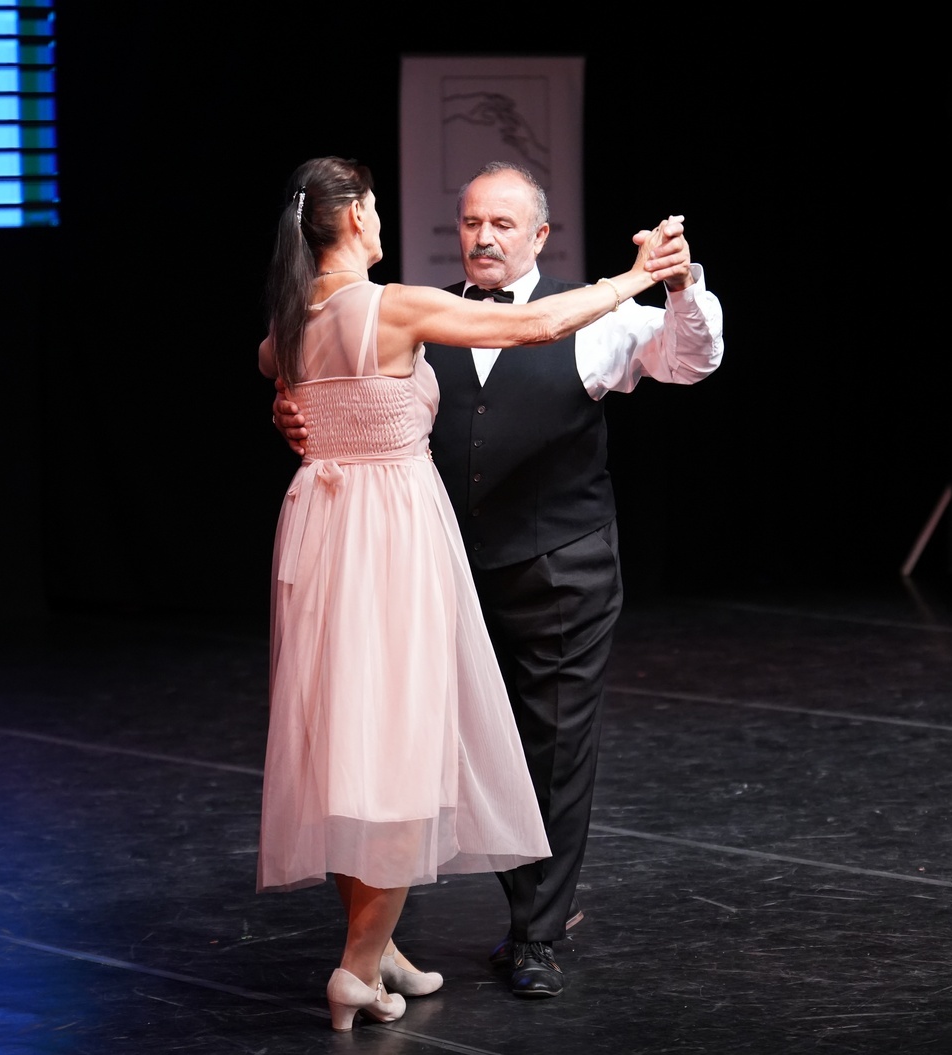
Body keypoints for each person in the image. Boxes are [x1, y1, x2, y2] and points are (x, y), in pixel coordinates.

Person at [275, 162, 724, 999]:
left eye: (502, 224)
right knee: (400, 743)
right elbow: (318, 369)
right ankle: (371, 950)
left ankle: (531, 936)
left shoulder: (586, 317)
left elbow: (691, 359)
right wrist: (296, 406)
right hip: (424, 564)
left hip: (550, 564)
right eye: (471, 221)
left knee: (539, 750)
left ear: (541, 235)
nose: (482, 237)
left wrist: (673, 287)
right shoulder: (411, 308)